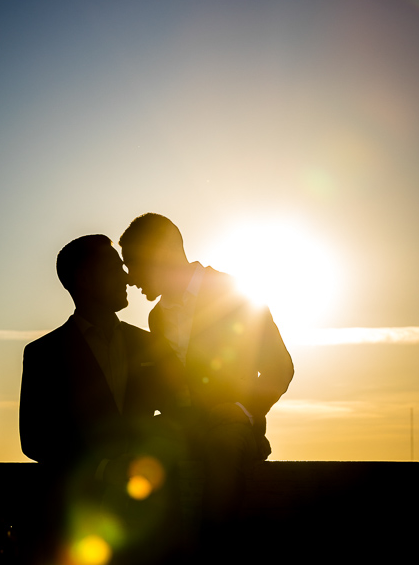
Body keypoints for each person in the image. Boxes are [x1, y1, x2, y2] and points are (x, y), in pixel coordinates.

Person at [119, 213, 294, 518]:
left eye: (132, 263)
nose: (130, 279)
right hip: (185, 427)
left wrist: (243, 409)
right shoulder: (157, 317)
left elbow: (280, 367)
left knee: (221, 449)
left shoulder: (236, 295)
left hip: (233, 430)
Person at [20, 234, 184, 487]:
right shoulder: (43, 354)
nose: (127, 278)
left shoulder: (151, 344)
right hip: (78, 502)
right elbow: (34, 439)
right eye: (115, 269)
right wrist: (103, 469)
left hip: (154, 500)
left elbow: (181, 408)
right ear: (85, 280)